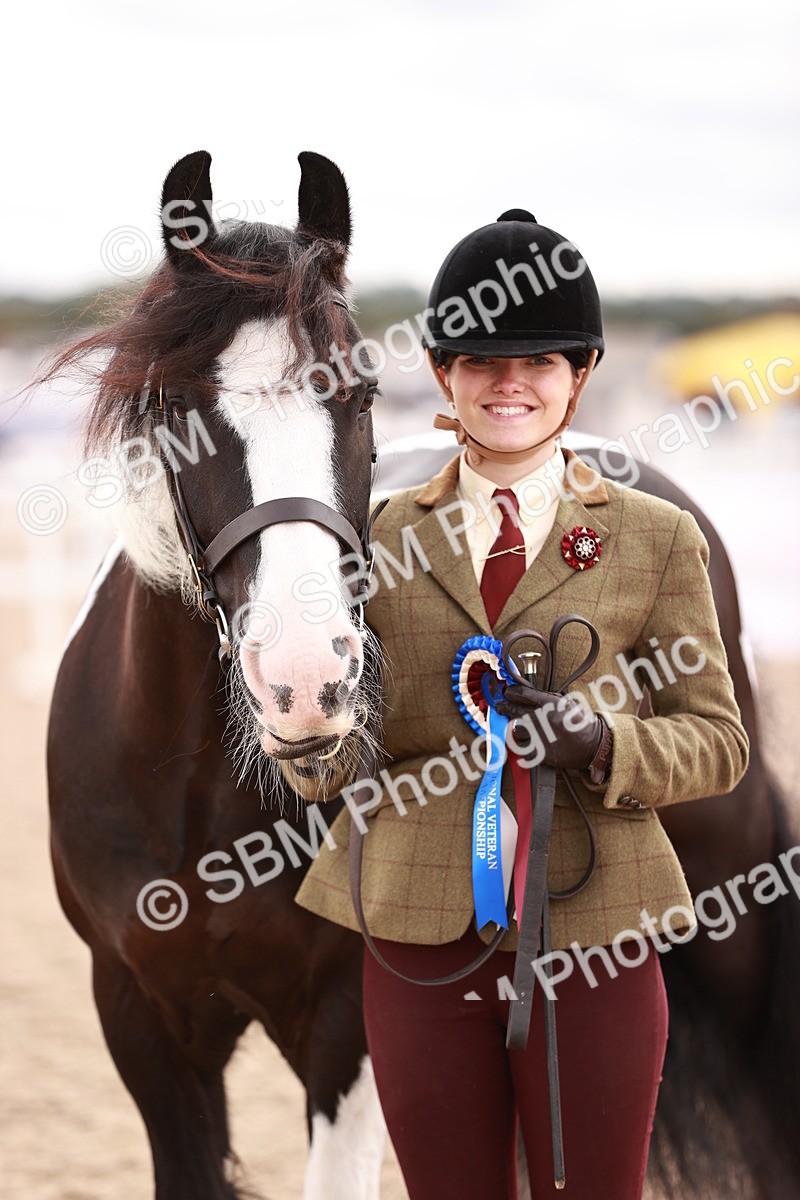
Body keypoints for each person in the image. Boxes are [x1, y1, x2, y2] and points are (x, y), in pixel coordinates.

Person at [281, 209, 749, 1199]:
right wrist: (308, 737)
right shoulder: (369, 539)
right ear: (443, 375)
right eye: (482, 364)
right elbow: (330, 764)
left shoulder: (656, 537)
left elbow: (716, 742)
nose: (509, 385)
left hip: (596, 928)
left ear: (579, 376)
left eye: (538, 363)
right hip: (414, 930)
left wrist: (603, 741)